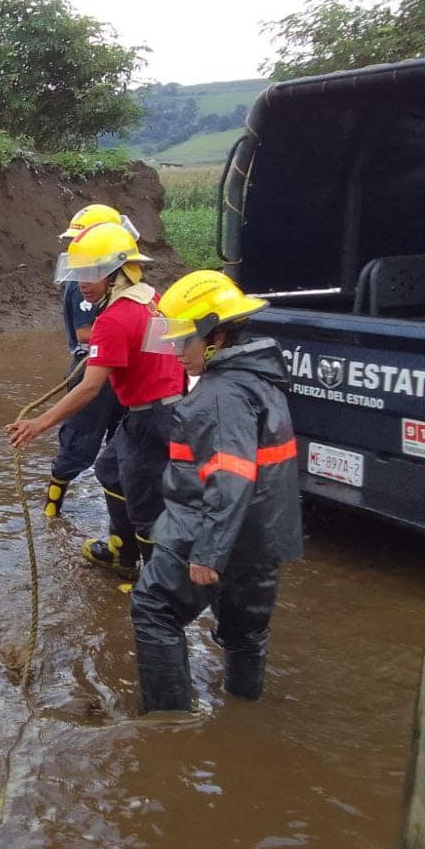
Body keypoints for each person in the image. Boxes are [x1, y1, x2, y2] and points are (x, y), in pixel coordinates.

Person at [129, 270, 302, 712]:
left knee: (154, 610)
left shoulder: (220, 394)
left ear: (216, 336)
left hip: (206, 527)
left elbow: (230, 478)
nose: (174, 353)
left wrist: (208, 551)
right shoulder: (259, 377)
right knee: (246, 631)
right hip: (260, 534)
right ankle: (244, 710)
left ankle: (168, 723)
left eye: (183, 341)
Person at [6, 218, 184, 579]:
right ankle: (122, 551)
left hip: (153, 419)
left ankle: (156, 583)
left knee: (147, 504)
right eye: (79, 272)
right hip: (159, 411)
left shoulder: (115, 318)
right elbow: (172, 355)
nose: (81, 283)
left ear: (118, 272)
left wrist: (38, 423)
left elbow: (89, 388)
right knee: (109, 470)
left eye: (91, 273)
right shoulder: (152, 299)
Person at [44, 205, 128, 520]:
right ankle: (52, 507)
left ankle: (119, 523)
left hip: (119, 372)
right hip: (92, 370)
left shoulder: (119, 282)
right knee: (78, 444)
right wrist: (125, 331)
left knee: (121, 447)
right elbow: (83, 333)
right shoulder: (84, 281)